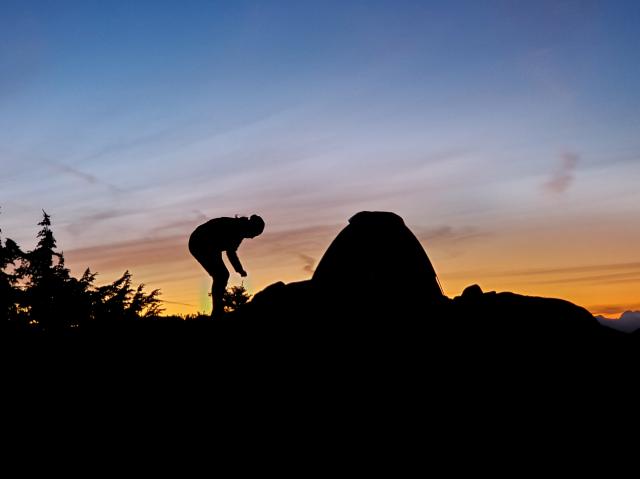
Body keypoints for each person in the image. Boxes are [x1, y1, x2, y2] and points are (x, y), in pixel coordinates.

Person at [188, 214, 265, 318]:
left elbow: (230, 251)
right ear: (251, 227)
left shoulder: (239, 229)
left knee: (221, 275)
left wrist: (239, 269)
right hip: (200, 242)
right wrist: (239, 270)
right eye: (254, 234)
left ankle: (218, 310)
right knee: (221, 275)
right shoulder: (237, 229)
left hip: (208, 243)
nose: (251, 237)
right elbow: (231, 253)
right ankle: (217, 311)